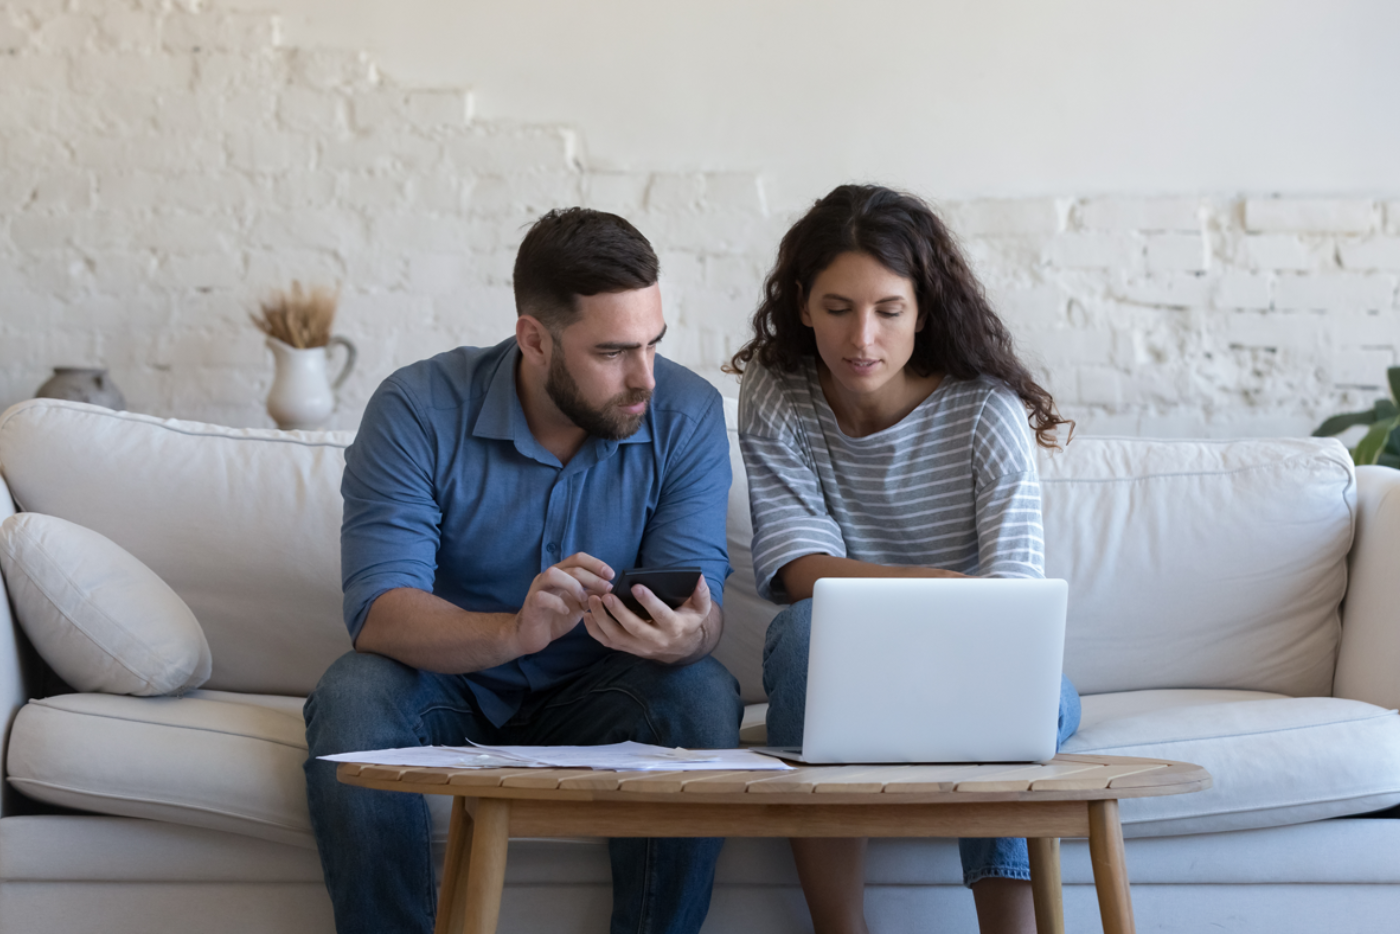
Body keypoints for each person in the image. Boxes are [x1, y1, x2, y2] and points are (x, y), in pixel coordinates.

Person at [304, 207, 743, 934]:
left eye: (652, 344)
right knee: (353, 693)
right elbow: (379, 612)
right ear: (534, 340)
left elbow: (705, 608)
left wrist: (685, 636)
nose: (645, 379)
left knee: (699, 689)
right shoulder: (417, 407)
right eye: (612, 353)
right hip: (453, 688)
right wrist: (514, 631)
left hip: (605, 689)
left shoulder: (687, 413)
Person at [728, 184, 1081, 934]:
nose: (863, 338)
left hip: (986, 659)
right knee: (797, 633)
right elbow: (799, 570)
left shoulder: (986, 409)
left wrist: (951, 608)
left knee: (1006, 694)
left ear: (923, 309)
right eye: (837, 309)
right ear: (800, 303)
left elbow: (1013, 600)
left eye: (889, 311)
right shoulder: (778, 391)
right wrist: (947, 585)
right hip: (849, 667)